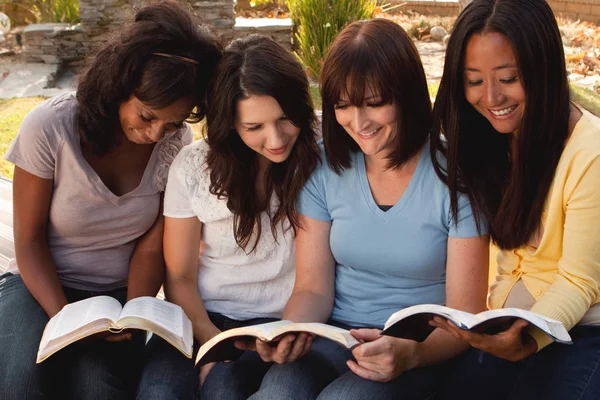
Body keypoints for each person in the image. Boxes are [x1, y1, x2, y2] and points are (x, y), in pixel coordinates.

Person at [246, 18, 489, 400]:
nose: (358, 124)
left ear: (406, 96)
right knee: (278, 393)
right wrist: (289, 330)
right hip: (336, 335)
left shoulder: (453, 174)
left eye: (374, 104)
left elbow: (465, 315)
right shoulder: (326, 166)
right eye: (342, 106)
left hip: (420, 345)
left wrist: (415, 355)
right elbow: (312, 287)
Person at [0, 2, 221, 399]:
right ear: (120, 86)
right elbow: (29, 241)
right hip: (40, 287)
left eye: (172, 122)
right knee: (21, 384)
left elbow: (151, 248)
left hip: (118, 303)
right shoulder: (50, 128)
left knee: (98, 387)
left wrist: (134, 316)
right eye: (147, 116)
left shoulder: (175, 145)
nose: (156, 134)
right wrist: (64, 320)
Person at [429, 0, 600, 398]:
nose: (491, 97)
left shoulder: (590, 152)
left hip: (582, 330)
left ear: (543, 69)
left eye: (508, 77)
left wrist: (526, 337)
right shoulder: (486, 139)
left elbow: (578, 281)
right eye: (473, 81)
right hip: (501, 326)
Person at [136, 34, 320, 400]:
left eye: (286, 119)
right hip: (198, 317)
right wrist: (212, 342)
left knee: (223, 391)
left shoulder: (318, 157)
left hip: (278, 323)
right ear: (230, 123)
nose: (275, 139)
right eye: (254, 128)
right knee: (158, 393)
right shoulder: (193, 166)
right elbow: (180, 276)